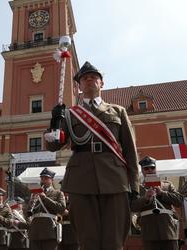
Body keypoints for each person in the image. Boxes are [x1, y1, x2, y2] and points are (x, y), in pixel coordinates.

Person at [45, 61, 140, 250]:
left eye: (94, 77)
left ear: (101, 83)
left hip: (115, 179)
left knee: (114, 240)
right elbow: (53, 145)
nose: (89, 80)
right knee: (88, 240)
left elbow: (130, 150)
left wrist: (134, 186)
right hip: (81, 180)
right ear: (78, 86)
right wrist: (55, 122)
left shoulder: (118, 111)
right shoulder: (70, 114)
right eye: (84, 78)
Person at [131, 156, 183, 250]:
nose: (150, 170)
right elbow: (133, 207)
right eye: (146, 168)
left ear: (156, 169)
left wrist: (162, 193)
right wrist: (145, 198)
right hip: (149, 232)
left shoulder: (167, 185)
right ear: (142, 171)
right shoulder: (138, 188)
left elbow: (179, 201)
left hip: (168, 230)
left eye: (152, 167)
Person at [27, 167, 66, 250]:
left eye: (46, 178)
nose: (43, 180)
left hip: (49, 230)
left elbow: (62, 208)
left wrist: (45, 198)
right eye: (42, 178)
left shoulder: (58, 193)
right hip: (35, 231)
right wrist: (32, 201)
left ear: (51, 180)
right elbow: (28, 212)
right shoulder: (35, 193)